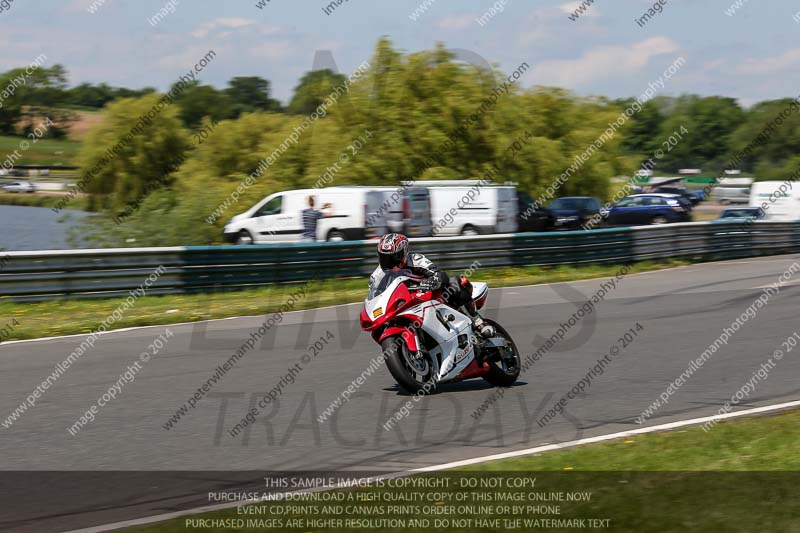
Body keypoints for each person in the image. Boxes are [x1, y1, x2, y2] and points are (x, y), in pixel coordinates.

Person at [369, 233, 495, 338]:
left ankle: (478, 322)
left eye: (393, 258)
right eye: (384, 258)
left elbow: (438, 273)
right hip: (403, 305)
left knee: (455, 283)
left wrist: (433, 280)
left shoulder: (416, 260)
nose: (389, 262)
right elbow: (374, 297)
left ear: (404, 253)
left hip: (429, 296)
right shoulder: (377, 276)